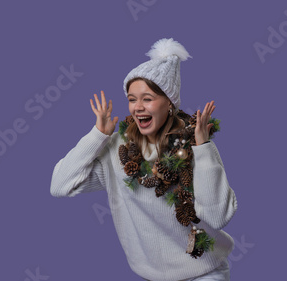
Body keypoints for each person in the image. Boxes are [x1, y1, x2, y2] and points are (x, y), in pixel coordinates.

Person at [50, 38, 238, 281]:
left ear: (169, 103)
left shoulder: (191, 147)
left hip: (204, 272)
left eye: (147, 99)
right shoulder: (118, 151)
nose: (137, 107)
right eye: (131, 99)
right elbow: (60, 186)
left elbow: (218, 216)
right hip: (151, 276)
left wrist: (203, 148)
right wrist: (98, 136)